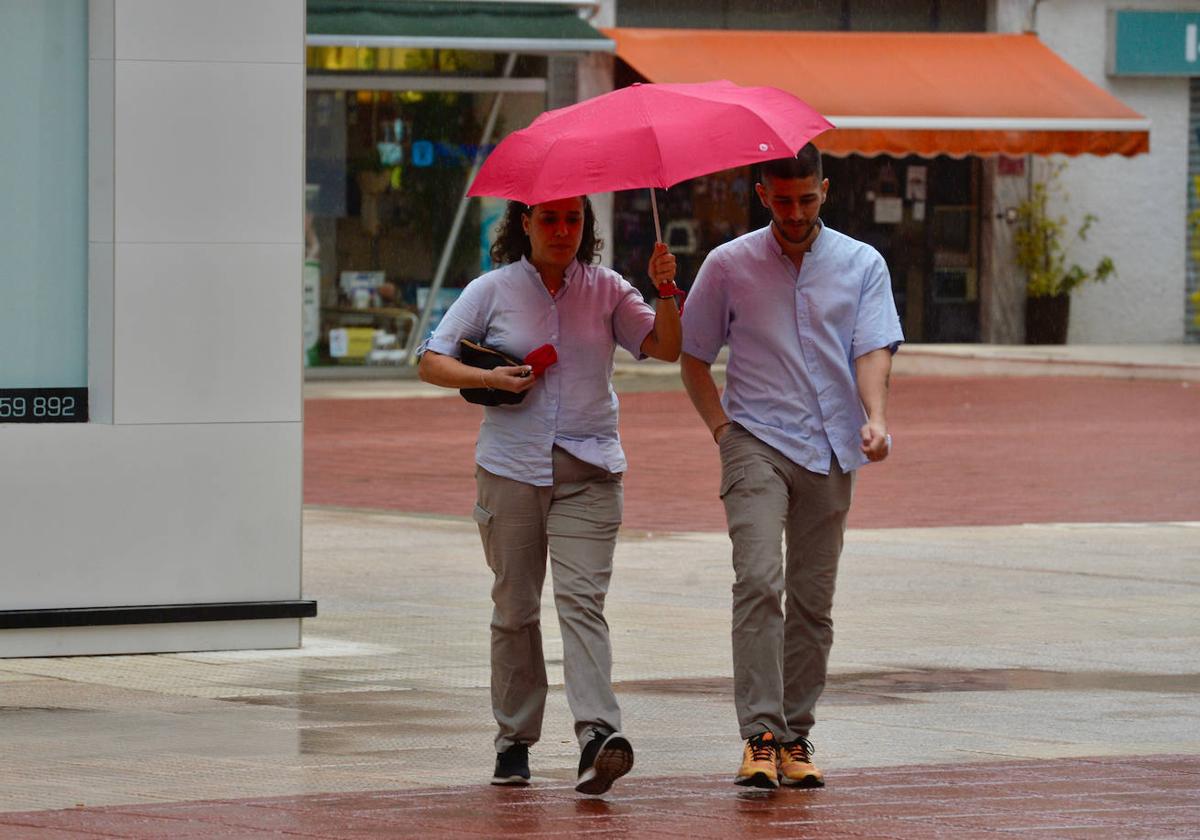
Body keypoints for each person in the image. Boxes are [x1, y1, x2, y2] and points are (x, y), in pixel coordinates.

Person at [417, 195, 681, 795]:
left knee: (581, 603)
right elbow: (431, 360)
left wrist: (666, 290)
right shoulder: (492, 289)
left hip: (590, 472)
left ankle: (597, 738)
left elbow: (665, 348)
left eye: (574, 219)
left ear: (587, 226)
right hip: (510, 471)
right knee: (515, 612)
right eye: (551, 219)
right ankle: (514, 741)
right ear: (526, 224)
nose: (564, 230)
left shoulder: (610, 289)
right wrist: (488, 377)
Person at [680, 144, 903, 790]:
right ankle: (760, 734)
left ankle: (796, 736)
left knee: (813, 600)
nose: (795, 213)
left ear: (824, 190)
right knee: (757, 577)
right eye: (782, 201)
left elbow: (871, 349)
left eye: (806, 199)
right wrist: (723, 430)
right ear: (761, 194)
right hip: (755, 439)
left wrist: (877, 419)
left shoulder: (863, 264)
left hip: (834, 446)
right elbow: (692, 356)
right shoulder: (728, 266)